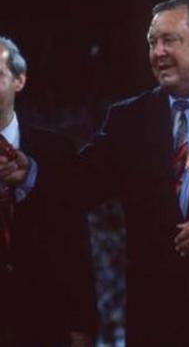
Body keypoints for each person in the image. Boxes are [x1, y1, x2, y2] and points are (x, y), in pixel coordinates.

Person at [0, 0, 189, 346]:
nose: (158, 52)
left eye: (169, 40)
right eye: (152, 42)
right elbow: (80, 183)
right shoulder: (130, 119)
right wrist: (30, 172)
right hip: (154, 317)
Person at [0, 36, 97, 347]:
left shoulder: (57, 151)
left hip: (44, 322)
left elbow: (75, 244)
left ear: (19, 80)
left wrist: (82, 325)